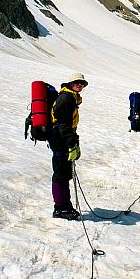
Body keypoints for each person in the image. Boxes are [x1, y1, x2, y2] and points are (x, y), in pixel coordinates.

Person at [48, 72, 88, 220]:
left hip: (62, 137)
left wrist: (73, 141)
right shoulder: (66, 98)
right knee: (60, 173)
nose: (80, 85)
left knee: (64, 173)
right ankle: (59, 207)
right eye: (77, 82)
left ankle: (65, 205)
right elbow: (63, 123)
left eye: (82, 83)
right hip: (60, 139)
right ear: (70, 83)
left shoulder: (71, 97)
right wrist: (71, 143)